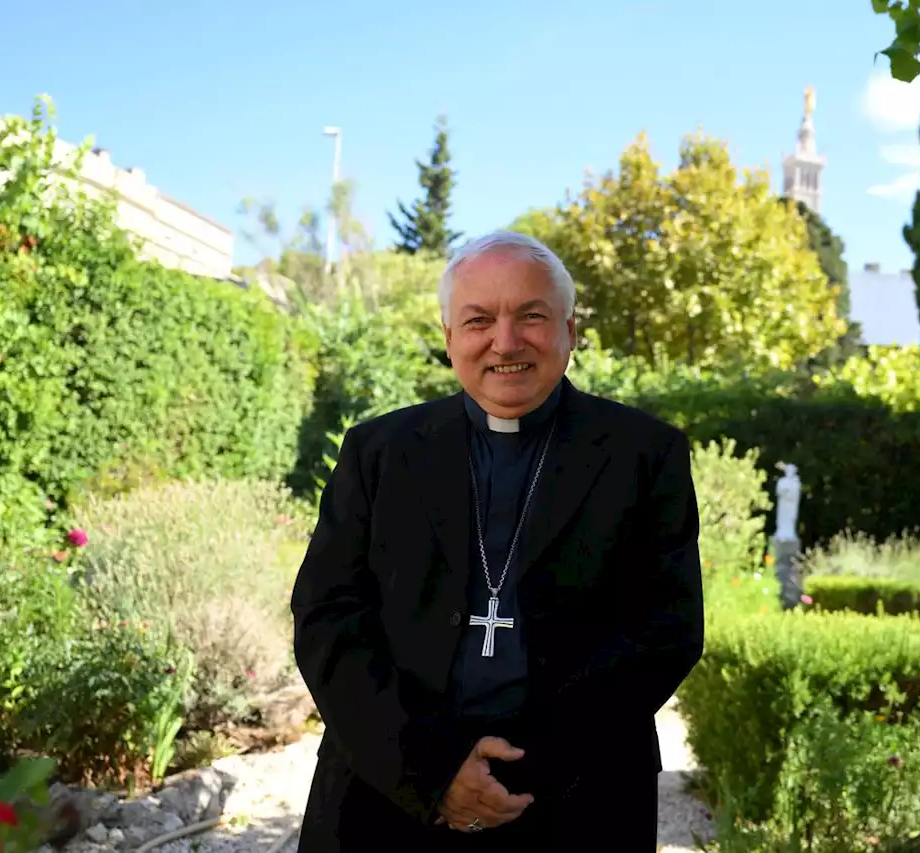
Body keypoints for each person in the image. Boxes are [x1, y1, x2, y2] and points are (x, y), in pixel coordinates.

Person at [291, 230, 704, 851]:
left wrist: (521, 767)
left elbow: (666, 631)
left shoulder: (644, 454)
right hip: (386, 796)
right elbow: (328, 619)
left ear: (569, 327)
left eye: (531, 317)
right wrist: (432, 769)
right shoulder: (378, 453)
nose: (505, 342)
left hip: (577, 796)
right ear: (448, 335)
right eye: (478, 319)